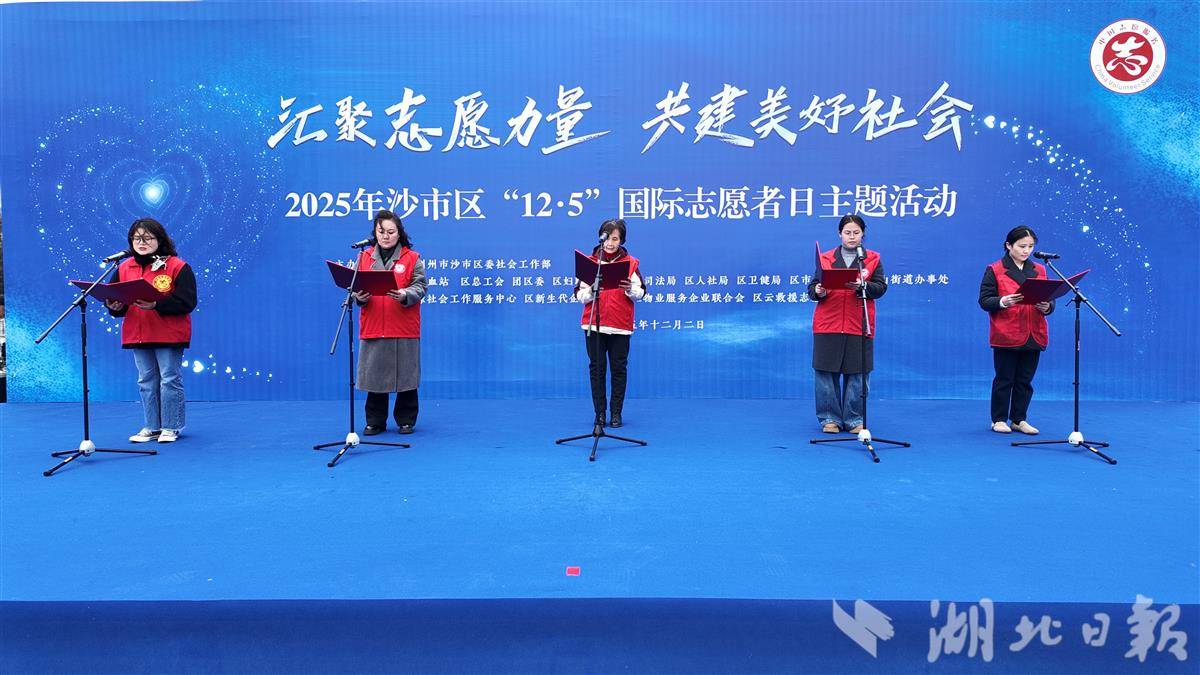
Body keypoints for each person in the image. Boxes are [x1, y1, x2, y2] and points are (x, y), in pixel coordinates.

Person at [105, 217, 197, 443]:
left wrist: (157, 304)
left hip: (168, 333)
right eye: (136, 238)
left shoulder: (177, 266)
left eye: (148, 238)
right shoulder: (124, 267)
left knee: (169, 379)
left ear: (160, 239)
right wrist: (114, 306)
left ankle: (171, 426)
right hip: (138, 333)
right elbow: (116, 301)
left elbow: (187, 302)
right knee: (146, 380)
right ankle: (152, 426)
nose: (141, 242)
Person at [806, 214, 887, 434]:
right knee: (825, 371)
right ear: (839, 234)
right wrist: (818, 290)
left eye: (856, 232)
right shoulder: (825, 258)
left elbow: (880, 288)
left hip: (859, 322)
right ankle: (829, 418)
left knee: (858, 373)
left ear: (863, 234)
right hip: (828, 323)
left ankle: (854, 419)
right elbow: (812, 288)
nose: (852, 237)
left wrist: (863, 286)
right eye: (847, 232)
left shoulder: (872, 259)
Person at [352, 210, 427, 435]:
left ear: (399, 233)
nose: (386, 236)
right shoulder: (363, 257)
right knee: (375, 376)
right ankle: (375, 421)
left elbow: (421, 286)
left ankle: (406, 420)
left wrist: (405, 294)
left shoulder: (412, 258)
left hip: (403, 325)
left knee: (406, 376)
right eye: (381, 231)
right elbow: (354, 287)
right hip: (374, 324)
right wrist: (359, 297)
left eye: (391, 232)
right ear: (375, 233)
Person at [979, 226, 1054, 434]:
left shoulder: (1040, 269)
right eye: (1022, 246)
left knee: (1025, 381)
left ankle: (1019, 419)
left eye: (1030, 246)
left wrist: (1047, 307)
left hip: (1034, 331)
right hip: (1007, 332)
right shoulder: (995, 269)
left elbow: (1050, 298)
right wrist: (1004, 301)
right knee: (1004, 379)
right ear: (1008, 245)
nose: (1026, 251)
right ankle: (999, 419)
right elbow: (984, 300)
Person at [574, 219, 645, 428]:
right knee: (597, 369)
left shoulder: (631, 263)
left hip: (620, 326)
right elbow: (578, 295)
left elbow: (641, 293)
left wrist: (630, 289)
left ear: (622, 240)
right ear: (601, 238)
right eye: (607, 238)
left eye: (615, 239)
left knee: (618, 369)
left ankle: (616, 413)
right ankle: (600, 414)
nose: (610, 243)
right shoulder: (589, 263)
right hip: (594, 325)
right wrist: (591, 290)